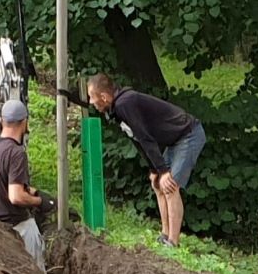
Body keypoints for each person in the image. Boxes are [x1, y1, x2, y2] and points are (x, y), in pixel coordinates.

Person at [85, 73, 206, 248]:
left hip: (188, 134)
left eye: (91, 97)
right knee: (157, 184)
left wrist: (163, 171)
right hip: (175, 140)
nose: (90, 102)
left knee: (170, 186)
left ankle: (173, 242)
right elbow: (137, 140)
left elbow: (145, 137)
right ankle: (165, 234)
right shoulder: (117, 109)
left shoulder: (125, 103)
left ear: (103, 97)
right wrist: (154, 170)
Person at [0, 100, 57, 274]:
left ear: (2, 121)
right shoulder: (16, 153)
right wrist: (39, 201)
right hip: (19, 228)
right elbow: (15, 196)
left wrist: (35, 191)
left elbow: (2, 182)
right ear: (24, 122)